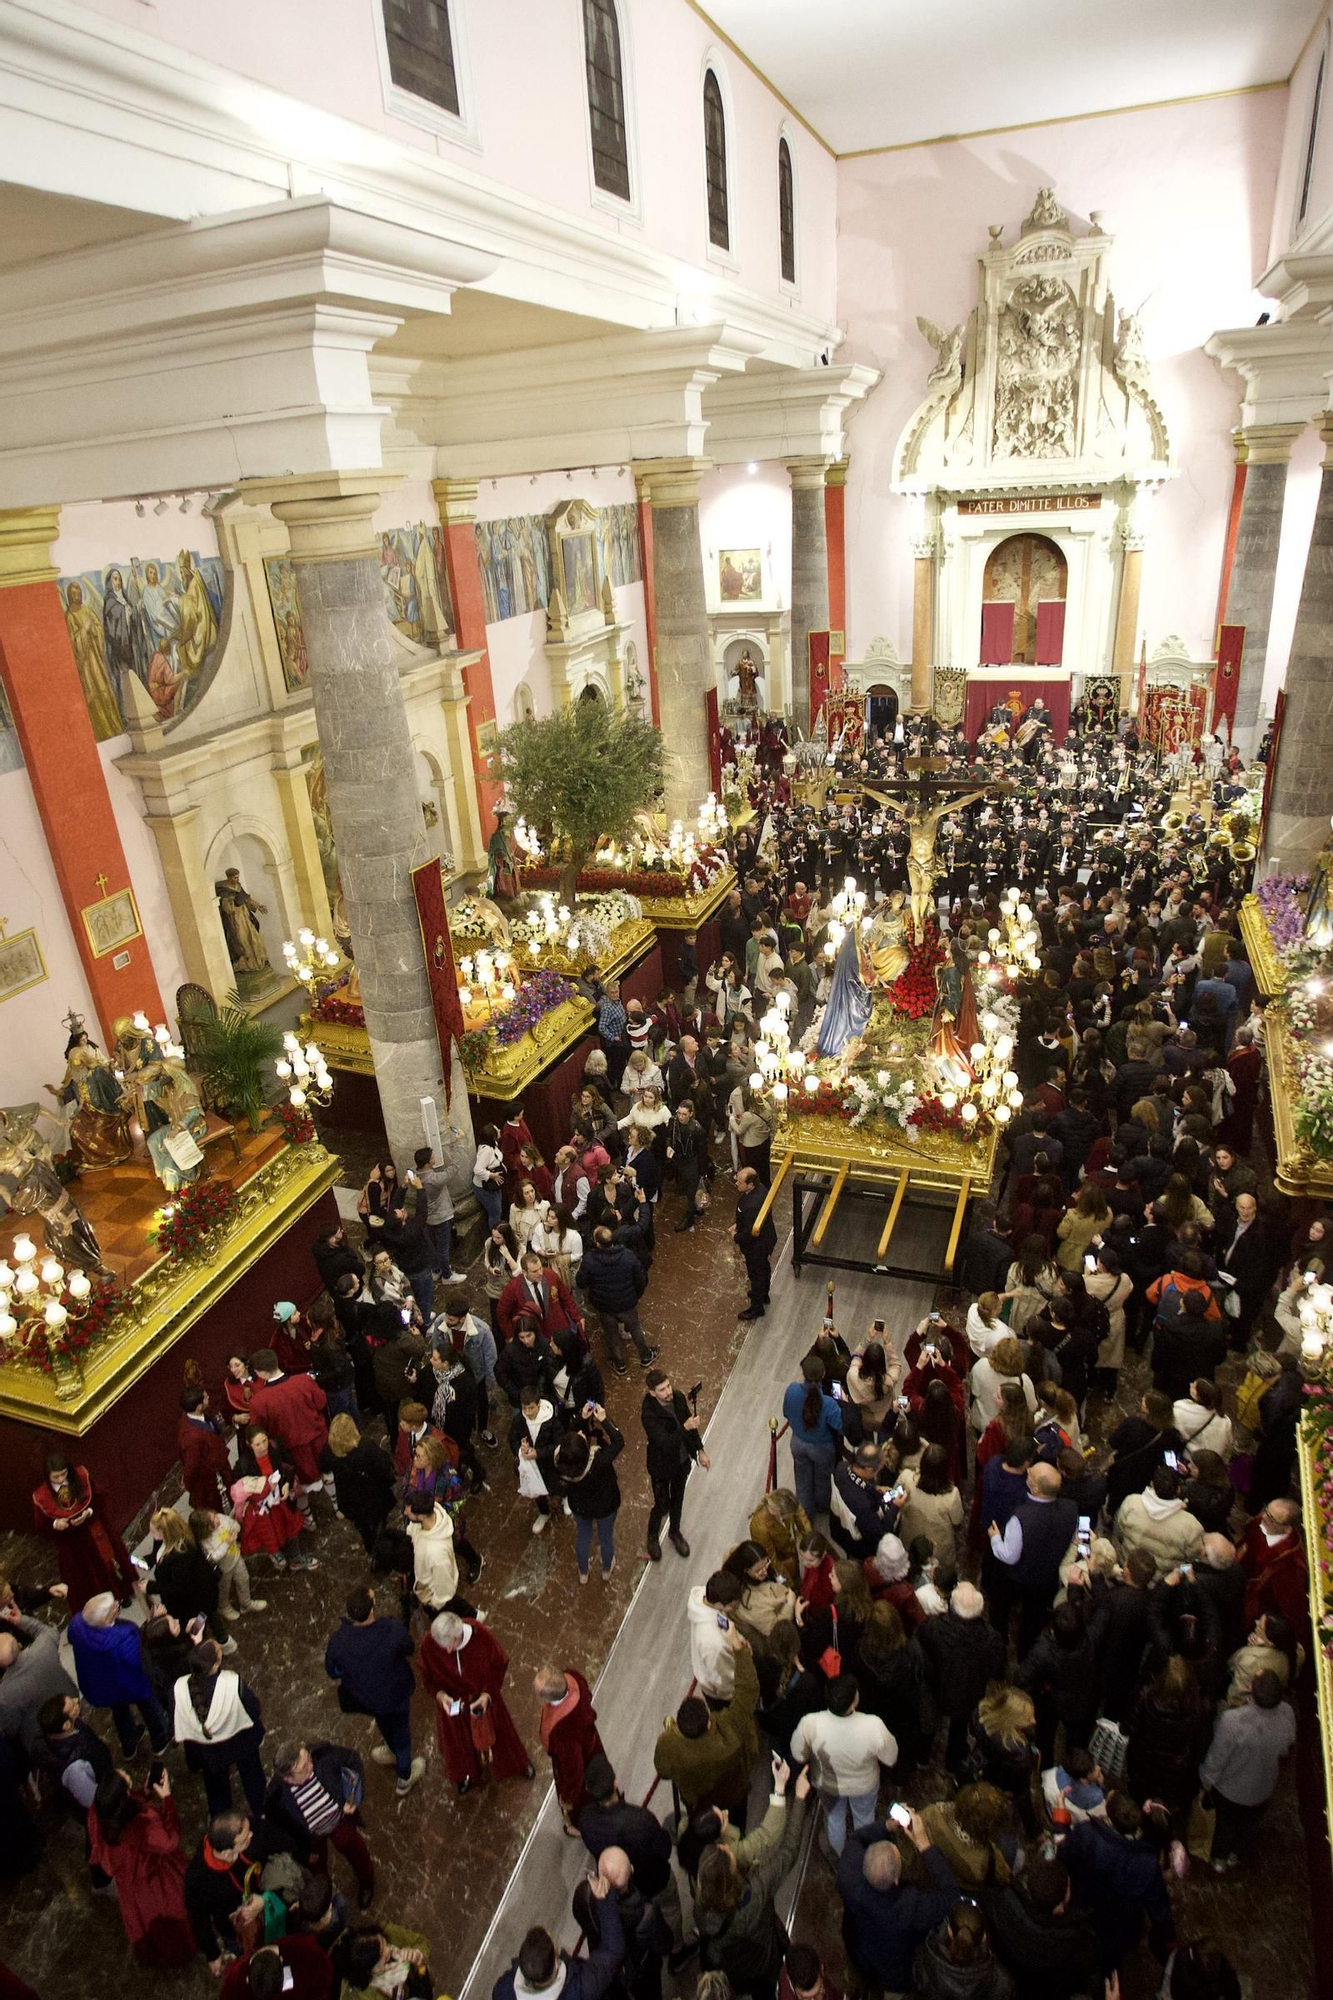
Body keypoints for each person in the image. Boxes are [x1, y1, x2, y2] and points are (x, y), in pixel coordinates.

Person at [694, 1768, 810, 1998]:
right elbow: (789, 1851)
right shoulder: (757, 1889)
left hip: (729, 1966)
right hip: (764, 1958)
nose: (727, 1847)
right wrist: (799, 1798)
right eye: (727, 1854)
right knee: (766, 1989)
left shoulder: (700, 1907)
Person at [836, 1810, 962, 1998]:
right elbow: (952, 1896)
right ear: (896, 1880)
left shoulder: (847, 1873)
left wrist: (885, 1826)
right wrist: (923, 1844)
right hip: (893, 1971)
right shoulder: (911, 1908)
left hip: (859, 1946)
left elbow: (856, 1838)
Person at [323, 1584, 425, 1799]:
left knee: (383, 1721)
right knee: (402, 1732)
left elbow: (332, 1671)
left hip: (365, 1698)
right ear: (371, 1610)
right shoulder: (391, 1629)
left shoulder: (339, 1641)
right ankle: (405, 1776)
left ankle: (390, 1749)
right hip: (395, 1694)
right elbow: (409, 1649)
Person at [88, 1766, 194, 1967]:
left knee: (144, 1921)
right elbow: (169, 1840)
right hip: (155, 1882)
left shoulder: (98, 1812)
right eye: (127, 1782)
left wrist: (144, 1792)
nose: (128, 1775)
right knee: (173, 1922)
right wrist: (167, 1799)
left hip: (130, 1887)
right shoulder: (142, 1825)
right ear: (124, 1796)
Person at [419, 1610, 533, 1797]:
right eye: (443, 1647)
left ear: (458, 1635)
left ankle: (515, 1765)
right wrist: (439, 1695)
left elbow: (499, 1665)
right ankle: (466, 1775)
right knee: (457, 1743)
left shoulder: (481, 1636)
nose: (447, 1652)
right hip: (453, 1702)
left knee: (501, 1734)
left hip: (482, 1697)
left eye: (451, 1645)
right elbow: (427, 1677)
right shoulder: (430, 1644)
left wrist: (487, 1694)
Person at [1061, 1791, 1175, 1970]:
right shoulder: (1148, 1863)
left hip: (1082, 1910)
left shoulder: (1086, 1833)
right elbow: (1159, 1908)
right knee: (1110, 1960)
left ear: (1110, 1815)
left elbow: (1064, 1856)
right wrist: (1168, 1938)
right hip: (1119, 1927)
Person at [1199, 1668, 1296, 1869]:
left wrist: (1206, 1781)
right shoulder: (1288, 1713)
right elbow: (1288, 1746)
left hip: (1230, 1791)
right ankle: (1236, 1854)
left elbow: (1218, 1758)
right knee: (1247, 1825)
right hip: (1264, 1788)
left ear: (1251, 1689)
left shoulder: (1232, 1720)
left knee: (1225, 1825)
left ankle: (1219, 1860)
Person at [790, 1674, 897, 1857]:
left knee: (834, 1820)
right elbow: (890, 1758)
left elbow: (798, 1754)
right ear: (855, 1700)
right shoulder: (873, 1725)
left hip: (828, 1785)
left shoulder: (809, 1723)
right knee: (864, 1819)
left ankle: (840, 1857)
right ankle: (863, 1855)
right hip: (864, 1786)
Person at [654, 1641, 760, 1823]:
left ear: (680, 1727)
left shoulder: (668, 1743)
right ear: (709, 1723)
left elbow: (663, 1771)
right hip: (734, 1794)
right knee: (737, 1820)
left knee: (704, 1827)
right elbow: (748, 1690)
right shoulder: (729, 1729)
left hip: (698, 1803)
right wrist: (739, 1649)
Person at [265, 1740, 375, 1910]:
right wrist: (301, 1854)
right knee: (318, 1871)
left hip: (340, 1820)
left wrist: (353, 1796)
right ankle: (324, 1901)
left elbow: (353, 1759)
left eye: (308, 1759)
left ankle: (367, 1883)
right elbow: (281, 1832)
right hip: (311, 1839)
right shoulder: (276, 1798)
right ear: (287, 1778)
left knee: (355, 1850)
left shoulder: (321, 1753)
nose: (311, 1766)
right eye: (304, 1768)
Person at [985, 1461, 1077, 1651]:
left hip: (1015, 1577)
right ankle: (1024, 1651)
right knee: (1033, 1620)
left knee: (999, 1612)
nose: (1027, 1470)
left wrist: (995, 1539)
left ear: (1035, 1489)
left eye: (1031, 1473)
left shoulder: (1021, 1518)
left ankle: (999, 1651)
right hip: (1045, 1578)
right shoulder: (1071, 1508)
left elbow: (1009, 1555)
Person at [915, 1581, 1005, 1777]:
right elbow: (995, 1668)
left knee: (929, 1724)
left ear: (952, 1606)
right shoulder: (992, 1638)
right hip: (969, 1693)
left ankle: (922, 1758)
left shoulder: (932, 1628)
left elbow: (918, 1652)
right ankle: (952, 1763)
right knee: (959, 1729)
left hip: (935, 1688)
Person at [68, 1590, 171, 1756]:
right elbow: (141, 1657)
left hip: (102, 1684)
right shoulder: (123, 1638)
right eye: (113, 1605)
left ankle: (129, 1744)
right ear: (107, 1618)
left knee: (119, 1710)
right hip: (130, 1683)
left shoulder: (76, 1624)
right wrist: (153, 1622)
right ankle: (160, 1740)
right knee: (149, 1706)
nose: (117, 1603)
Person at [173, 1639, 266, 1818]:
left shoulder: (177, 1689)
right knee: (253, 1777)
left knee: (216, 1787)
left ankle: (220, 1818)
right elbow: (253, 1709)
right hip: (240, 1743)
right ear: (217, 1663)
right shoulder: (232, 1683)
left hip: (207, 1752)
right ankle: (261, 1810)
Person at [492, 1876, 625, 2000]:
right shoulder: (581, 1988)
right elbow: (612, 1950)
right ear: (555, 1965)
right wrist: (605, 1899)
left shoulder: (503, 1990)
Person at [31, 1454, 134, 1610]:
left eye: (63, 1474)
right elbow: (42, 1526)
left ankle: (121, 1594)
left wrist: (89, 1512)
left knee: (108, 1564)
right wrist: (56, 1523)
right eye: (55, 1477)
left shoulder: (81, 1476)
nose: (60, 1479)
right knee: (86, 1576)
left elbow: (98, 1499)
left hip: (93, 1530)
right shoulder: (41, 1496)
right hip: (71, 1542)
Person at [249, 1347, 332, 1515]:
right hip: (318, 1439)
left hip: (293, 1451)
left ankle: (308, 1518)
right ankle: (338, 1507)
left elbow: (258, 1430)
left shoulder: (258, 1401)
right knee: (329, 1474)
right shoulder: (304, 1380)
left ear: (262, 1373)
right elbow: (321, 1402)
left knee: (298, 1487)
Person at [642, 1369, 708, 1561]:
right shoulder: (648, 1414)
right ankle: (652, 1536)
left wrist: (700, 1450)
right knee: (661, 1505)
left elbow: (690, 1425)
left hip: (681, 1462)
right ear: (652, 1392)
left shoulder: (678, 1397)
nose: (668, 1392)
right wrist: (685, 1427)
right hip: (661, 1466)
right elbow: (665, 1443)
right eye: (662, 1389)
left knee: (677, 1499)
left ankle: (675, 1532)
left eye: (668, 1386)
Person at [554, 1411, 625, 1584]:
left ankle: (583, 1573)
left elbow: (568, 1444)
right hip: (605, 1506)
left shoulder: (560, 1463)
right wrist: (604, 1420)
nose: (580, 1433)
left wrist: (581, 1419)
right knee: (605, 1538)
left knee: (583, 1536)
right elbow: (618, 1441)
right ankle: (607, 1569)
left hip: (580, 1507)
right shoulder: (599, 1461)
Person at [534, 1663, 605, 1834]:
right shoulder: (572, 1677)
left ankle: (579, 1827)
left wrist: (568, 1797)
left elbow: (574, 1771)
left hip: (582, 1763)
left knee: (583, 1800)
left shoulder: (562, 1732)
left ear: (547, 1698)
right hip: (591, 1743)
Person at [578, 1225, 656, 1375]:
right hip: (626, 1303)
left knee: (610, 1333)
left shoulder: (589, 1260)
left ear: (597, 1243)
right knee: (635, 1328)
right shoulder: (628, 1255)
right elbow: (640, 1278)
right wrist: (635, 1296)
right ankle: (645, 1355)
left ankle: (619, 1363)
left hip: (604, 1305)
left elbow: (581, 1282)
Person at [319, 1414, 397, 1555]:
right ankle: (380, 1547)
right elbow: (384, 1468)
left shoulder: (329, 1450)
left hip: (349, 1499)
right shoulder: (366, 1447)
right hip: (373, 1495)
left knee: (362, 1526)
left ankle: (370, 1547)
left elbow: (322, 1467)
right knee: (379, 1522)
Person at [782, 1356, 843, 1520]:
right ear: (823, 1375)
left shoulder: (792, 1390)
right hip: (822, 1448)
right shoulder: (829, 1404)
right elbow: (840, 1427)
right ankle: (823, 1507)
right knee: (823, 1480)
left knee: (802, 1481)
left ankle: (805, 1516)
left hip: (797, 1443)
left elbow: (786, 1413)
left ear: (803, 1373)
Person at [406, 1143, 458, 1282]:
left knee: (431, 1246)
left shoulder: (414, 1174)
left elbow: (409, 1171)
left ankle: (436, 1269)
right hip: (441, 1216)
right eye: (433, 1157)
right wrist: (458, 1144)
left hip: (427, 1217)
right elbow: (454, 1168)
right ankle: (447, 1275)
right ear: (428, 1163)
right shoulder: (435, 1180)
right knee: (443, 1248)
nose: (435, 1158)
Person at [178, 1384, 233, 1510]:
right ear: (198, 1406)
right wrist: (188, 1483)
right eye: (206, 1398)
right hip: (211, 1480)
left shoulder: (191, 1416)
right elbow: (192, 1465)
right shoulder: (192, 1438)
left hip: (219, 1465)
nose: (209, 1398)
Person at [732, 1164, 777, 1320]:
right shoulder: (761, 1188)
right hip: (767, 1239)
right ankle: (764, 1294)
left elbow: (749, 1234)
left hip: (756, 1246)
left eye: (739, 1182)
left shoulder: (751, 1205)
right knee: (764, 1268)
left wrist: (735, 1236)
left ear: (750, 1184)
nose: (736, 1184)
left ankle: (757, 1308)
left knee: (756, 1274)